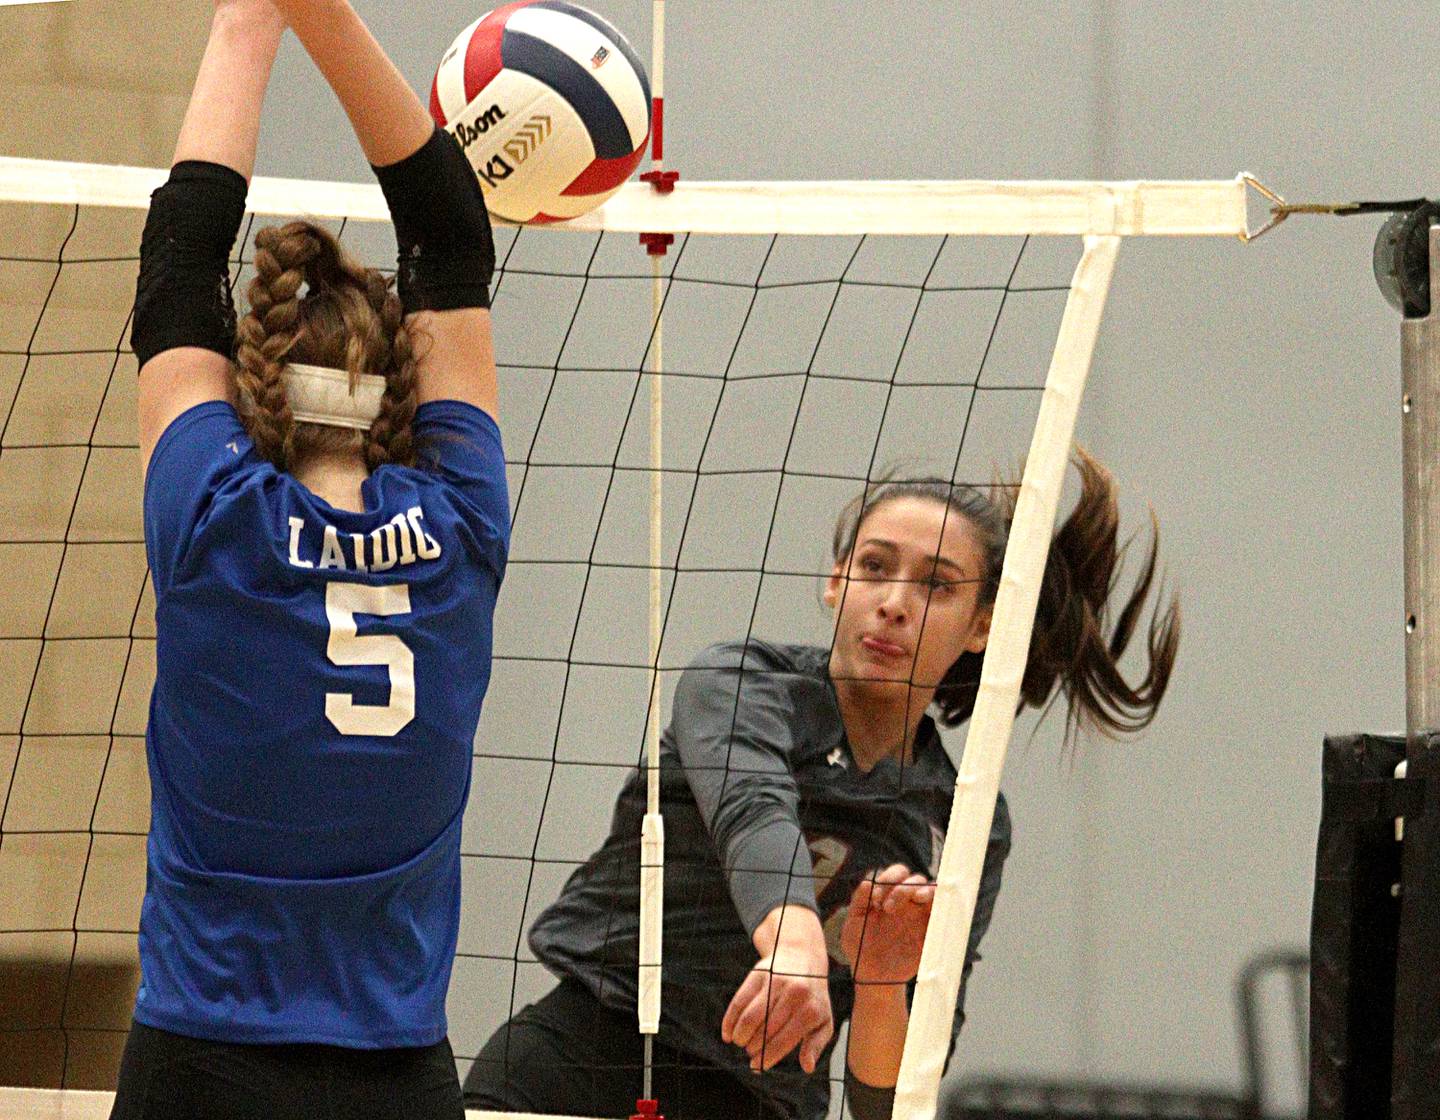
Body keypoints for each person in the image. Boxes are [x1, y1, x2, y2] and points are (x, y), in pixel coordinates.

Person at [464, 450, 1179, 1120]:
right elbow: (752, 808)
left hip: (763, 1104)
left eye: (935, 584)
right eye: (874, 567)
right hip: (584, 1067)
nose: (894, 603)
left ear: (982, 625)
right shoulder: (739, 682)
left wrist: (879, 984)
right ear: (836, 583)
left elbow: (885, 1106)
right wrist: (797, 949)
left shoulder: (966, 819)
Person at [112, 0, 504, 1116]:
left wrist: (249, 25)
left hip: (202, 1057)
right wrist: (323, 16)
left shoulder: (213, 515)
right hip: (397, 1071)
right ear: (401, 389)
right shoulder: (460, 522)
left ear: (253, 383)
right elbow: (451, 238)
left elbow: (177, 261)